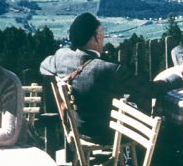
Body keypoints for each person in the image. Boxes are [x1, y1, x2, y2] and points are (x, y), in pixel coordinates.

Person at [40, 13, 139, 142]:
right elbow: (149, 90)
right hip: (105, 135)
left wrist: (61, 83)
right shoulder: (109, 69)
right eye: (102, 33)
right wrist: (174, 75)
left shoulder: (61, 57)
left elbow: (44, 66)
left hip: (77, 131)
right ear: (97, 36)